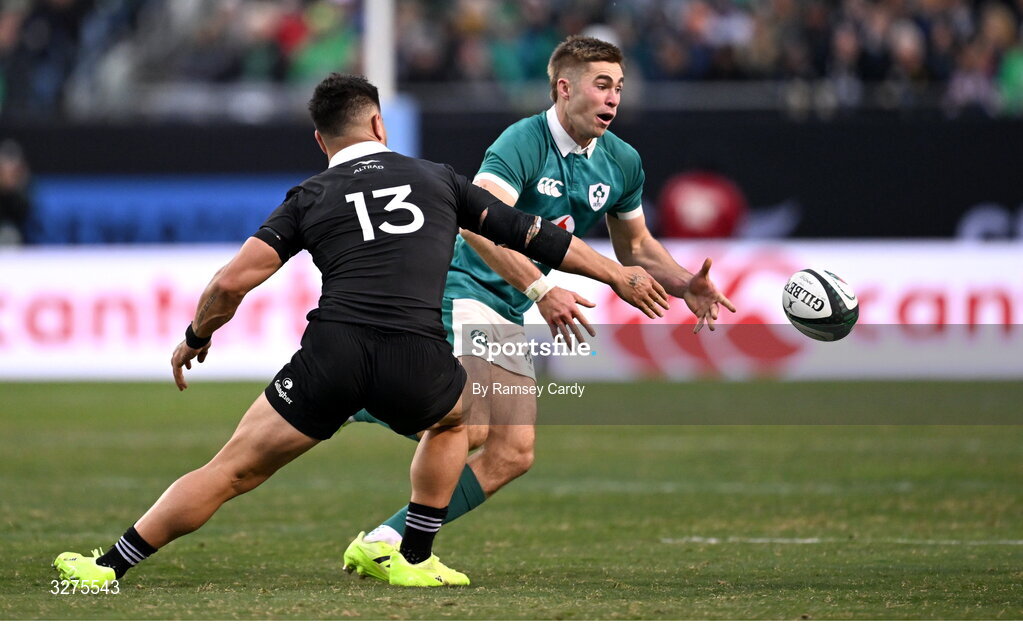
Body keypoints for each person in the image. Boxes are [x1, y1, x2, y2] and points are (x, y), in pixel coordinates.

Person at [51, 73, 670, 588]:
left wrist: (196, 334)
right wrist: (615, 275)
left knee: (232, 470)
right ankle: (414, 557)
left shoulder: (310, 196)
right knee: (459, 420)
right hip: (416, 356)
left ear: (321, 140)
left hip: (333, 355)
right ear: (379, 125)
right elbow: (538, 236)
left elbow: (231, 283)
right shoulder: (438, 180)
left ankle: (107, 567)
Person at [343, 36, 736, 581]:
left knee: (513, 452)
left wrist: (683, 281)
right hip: (462, 287)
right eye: (602, 85)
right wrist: (541, 290)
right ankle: (360, 394)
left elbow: (637, 247)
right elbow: (474, 225)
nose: (613, 98)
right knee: (472, 425)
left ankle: (386, 539)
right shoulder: (522, 142)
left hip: (509, 305)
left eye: (619, 87)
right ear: (564, 86)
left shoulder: (622, 161)